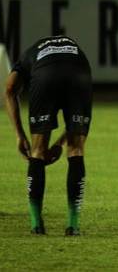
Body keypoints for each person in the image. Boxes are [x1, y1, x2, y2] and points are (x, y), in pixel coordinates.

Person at [4, 35, 92, 236]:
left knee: (37, 151)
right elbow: (75, 126)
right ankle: (73, 225)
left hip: (45, 76)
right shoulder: (75, 48)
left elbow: (9, 89)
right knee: (77, 148)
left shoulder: (28, 55)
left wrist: (20, 135)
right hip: (79, 71)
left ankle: (36, 224)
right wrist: (61, 143)